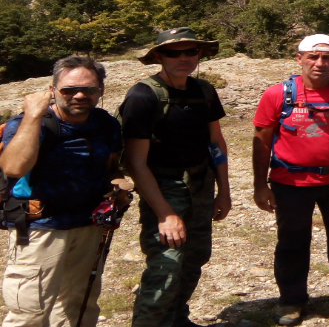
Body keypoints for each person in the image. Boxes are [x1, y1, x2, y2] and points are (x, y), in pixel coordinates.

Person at [252, 34, 329, 326]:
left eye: (327, 57)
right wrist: (260, 185)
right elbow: (261, 139)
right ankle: (291, 299)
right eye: (312, 56)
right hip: (289, 183)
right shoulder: (277, 94)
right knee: (292, 241)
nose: (320, 63)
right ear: (300, 58)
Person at [0, 55, 132, 327]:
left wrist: (119, 186)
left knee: (78, 306)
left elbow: (111, 169)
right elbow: (13, 167)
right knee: (29, 313)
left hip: (88, 225)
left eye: (90, 89)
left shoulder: (105, 124)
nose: (80, 95)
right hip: (39, 228)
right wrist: (34, 114)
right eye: (69, 90)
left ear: (101, 90)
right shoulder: (30, 123)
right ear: (53, 91)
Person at [121, 27, 231, 327]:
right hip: (165, 187)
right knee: (166, 265)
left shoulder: (204, 91)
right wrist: (165, 213)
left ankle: (176, 319)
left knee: (195, 257)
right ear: (158, 56)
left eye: (190, 51)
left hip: (201, 184)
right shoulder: (143, 96)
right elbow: (136, 162)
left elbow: (216, 143)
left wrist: (224, 190)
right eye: (173, 52)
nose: (183, 58)